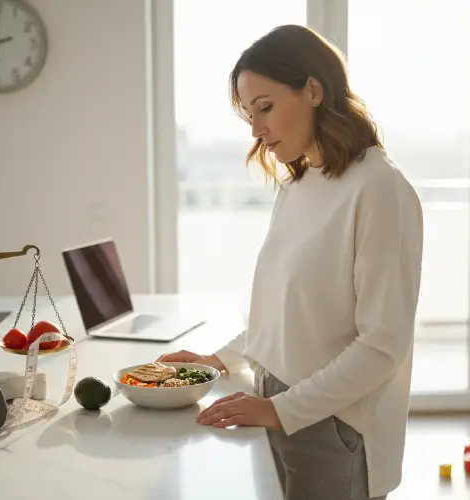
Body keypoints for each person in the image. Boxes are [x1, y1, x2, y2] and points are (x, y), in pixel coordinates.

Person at [158, 24, 423, 500]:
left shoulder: (381, 189)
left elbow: (384, 345)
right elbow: (280, 315)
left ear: (314, 90)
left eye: (266, 108)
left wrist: (281, 409)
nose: (257, 130)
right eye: (249, 115)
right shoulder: (301, 184)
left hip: (333, 422)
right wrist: (215, 362)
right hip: (278, 401)